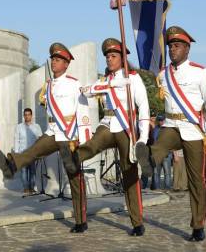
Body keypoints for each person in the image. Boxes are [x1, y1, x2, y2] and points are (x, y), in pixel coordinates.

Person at [0, 42, 94, 233]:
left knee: (74, 176)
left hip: (69, 134)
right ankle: (12, 166)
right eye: (53, 59)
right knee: (33, 150)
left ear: (66, 64)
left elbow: (83, 110)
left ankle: (81, 220)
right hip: (52, 131)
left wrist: (82, 138)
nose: (54, 63)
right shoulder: (47, 86)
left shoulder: (74, 83)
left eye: (58, 60)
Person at [136, 26, 206, 242]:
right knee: (160, 144)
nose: (172, 49)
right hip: (171, 124)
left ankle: (198, 224)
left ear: (187, 48)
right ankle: (148, 161)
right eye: (170, 46)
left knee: (197, 180)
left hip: (193, 129)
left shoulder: (200, 73)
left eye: (177, 46)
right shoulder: (163, 74)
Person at [60, 38, 150, 236]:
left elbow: (143, 106)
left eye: (113, 56)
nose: (109, 59)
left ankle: (137, 222)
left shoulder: (133, 78)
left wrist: (142, 137)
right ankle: (74, 157)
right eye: (107, 56)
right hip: (108, 124)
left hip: (126, 127)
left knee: (130, 175)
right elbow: (89, 92)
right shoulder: (104, 80)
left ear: (122, 58)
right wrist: (88, 89)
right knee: (93, 144)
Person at [14, 108, 42, 194]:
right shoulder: (19, 127)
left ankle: (32, 187)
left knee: (33, 170)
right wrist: (16, 153)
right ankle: (26, 188)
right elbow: (16, 140)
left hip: (33, 152)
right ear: (24, 116)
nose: (27, 116)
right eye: (25, 115)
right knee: (24, 171)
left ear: (31, 115)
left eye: (28, 114)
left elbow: (40, 139)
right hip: (23, 152)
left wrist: (40, 152)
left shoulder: (36, 126)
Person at [153, 114, 172, 190]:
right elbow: (154, 141)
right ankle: (157, 188)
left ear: (165, 120)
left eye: (162, 120)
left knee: (167, 173)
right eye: (159, 120)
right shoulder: (155, 129)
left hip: (166, 154)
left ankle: (167, 188)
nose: (161, 122)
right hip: (157, 154)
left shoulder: (168, 129)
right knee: (156, 173)